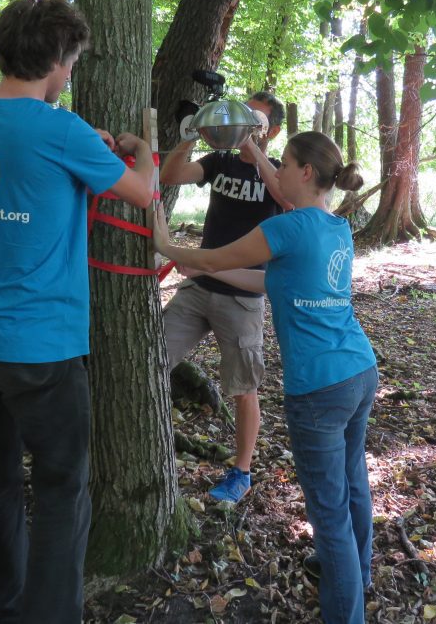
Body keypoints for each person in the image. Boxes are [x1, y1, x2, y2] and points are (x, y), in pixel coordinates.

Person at [0, 0, 154, 624]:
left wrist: (79, 141)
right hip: (41, 347)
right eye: (72, 63)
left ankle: (7, 609)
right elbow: (141, 193)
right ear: (57, 60)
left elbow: (22, 159)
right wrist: (139, 149)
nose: (71, 75)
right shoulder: (60, 130)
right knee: (63, 488)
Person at [153, 131, 378, 624]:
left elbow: (216, 256)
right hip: (360, 372)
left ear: (302, 173)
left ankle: (346, 610)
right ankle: (358, 575)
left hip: (319, 389)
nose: (273, 173)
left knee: (329, 513)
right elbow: (267, 280)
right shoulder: (336, 228)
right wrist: (198, 274)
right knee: (352, 482)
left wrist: (169, 246)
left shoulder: (287, 229)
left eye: (283, 165)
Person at [159, 91, 291, 503]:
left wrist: (252, 145)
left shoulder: (281, 173)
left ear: (274, 129)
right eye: (242, 115)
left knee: (242, 387)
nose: (245, 122)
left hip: (243, 298)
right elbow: (169, 176)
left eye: (256, 118)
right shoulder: (220, 162)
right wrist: (192, 133)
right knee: (154, 357)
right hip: (199, 288)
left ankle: (241, 471)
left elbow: (289, 201)